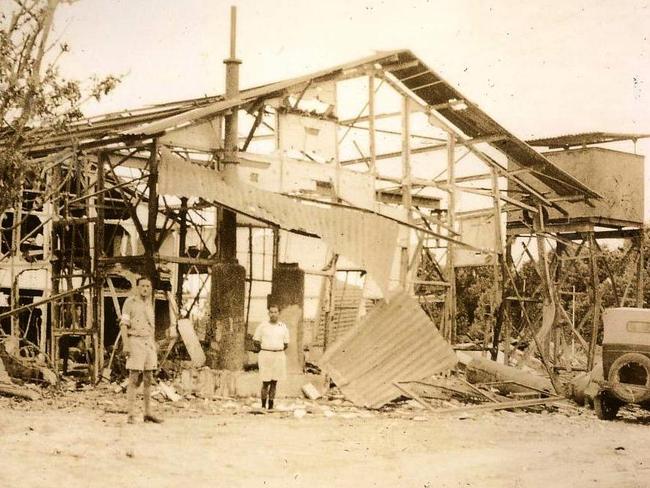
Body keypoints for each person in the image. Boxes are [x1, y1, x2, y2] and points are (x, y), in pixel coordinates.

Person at [120, 276, 163, 424]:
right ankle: (131, 414)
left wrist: (153, 344)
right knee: (133, 378)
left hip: (148, 343)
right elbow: (124, 325)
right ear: (137, 288)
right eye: (143, 286)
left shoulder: (150, 304)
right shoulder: (129, 303)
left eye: (148, 286)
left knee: (148, 378)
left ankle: (147, 413)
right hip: (135, 342)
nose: (145, 289)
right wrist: (126, 344)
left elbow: (151, 327)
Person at [253, 305, 289, 410]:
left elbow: (286, 343)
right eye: (271, 312)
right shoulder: (263, 326)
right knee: (265, 381)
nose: (273, 314)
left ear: (279, 313)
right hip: (266, 355)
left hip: (278, 355)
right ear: (268, 313)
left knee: (274, 381)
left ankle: (271, 405)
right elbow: (256, 341)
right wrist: (266, 348)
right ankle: (263, 405)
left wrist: (276, 348)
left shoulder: (283, 326)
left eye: (275, 312)